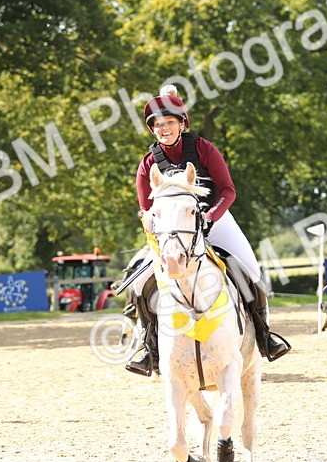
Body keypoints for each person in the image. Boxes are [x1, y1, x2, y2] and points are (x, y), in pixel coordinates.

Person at [123, 85, 291, 376]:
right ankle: (148, 347)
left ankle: (265, 337)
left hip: (215, 221)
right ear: (152, 130)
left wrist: (211, 216)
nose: (164, 129)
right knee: (138, 285)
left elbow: (228, 190)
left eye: (170, 123)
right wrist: (153, 226)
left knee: (250, 271)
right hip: (171, 232)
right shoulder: (148, 163)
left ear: (182, 123)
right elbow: (145, 207)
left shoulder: (203, 148)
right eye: (158, 125)